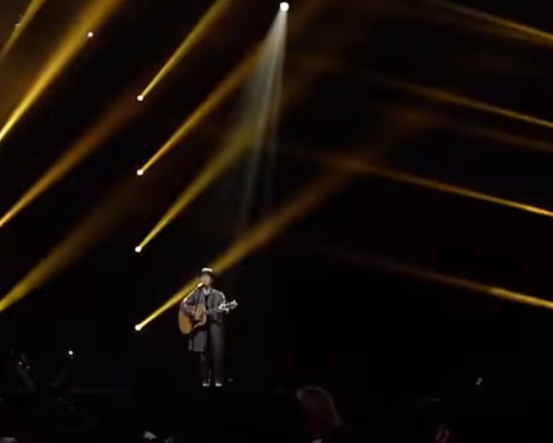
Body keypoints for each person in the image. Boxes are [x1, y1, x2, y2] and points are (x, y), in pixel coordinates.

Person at [180, 268, 227, 387]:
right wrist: (193, 313)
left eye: (207, 276)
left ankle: (218, 381)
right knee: (203, 356)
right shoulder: (196, 293)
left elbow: (223, 309)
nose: (204, 279)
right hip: (200, 329)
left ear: (212, 280)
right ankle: (205, 381)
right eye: (202, 276)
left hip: (214, 326)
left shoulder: (219, 295)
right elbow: (183, 304)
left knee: (217, 355)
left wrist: (221, 309)